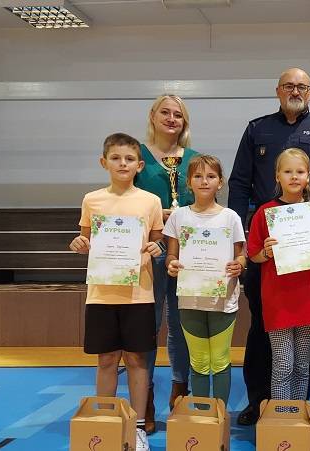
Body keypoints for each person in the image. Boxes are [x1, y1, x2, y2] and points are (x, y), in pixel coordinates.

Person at [228, 67, 310, 424]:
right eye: (288, 86)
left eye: (302, 87)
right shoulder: (257, 129)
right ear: (278, 90)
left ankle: (298, 408)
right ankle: (259, 401)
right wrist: (240, 239)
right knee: (261, 329)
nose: (295, 91)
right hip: (268, 252)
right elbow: (239, 183)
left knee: (308, 343)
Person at [69, 133, 165, 451]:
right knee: (107, 359)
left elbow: (158, 241)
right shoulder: (92, 200)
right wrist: (80, 244)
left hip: (139, 293)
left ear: (139, 165)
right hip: (101, 294)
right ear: (104, 162)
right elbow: (86, 240)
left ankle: (137, 427)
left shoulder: (150, 201)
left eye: (129, 159)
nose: (122, 164)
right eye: (115, 158)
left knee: (137, 360)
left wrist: (157, 248)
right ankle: (106, 423)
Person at [134, 94, 198, 433]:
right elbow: (126, 200)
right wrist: (158, 215)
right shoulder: (137, 156)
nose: (172, 119)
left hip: (189, 253)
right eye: (166, 112)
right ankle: (143, 396)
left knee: (181, 324)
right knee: (148, 323)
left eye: (178, 114)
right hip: (148, 251)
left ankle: (180, 389)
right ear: (153, 116)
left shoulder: (195, 159)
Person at [246, 148, 310, 401]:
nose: (294, 176)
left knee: (302, 366)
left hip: (309, 298)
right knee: (283, 366)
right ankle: (282, 416)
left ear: (308, 176)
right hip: (279, 299)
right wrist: (266, 252)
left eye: (300, 171)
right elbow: (253, 255)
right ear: (277, 176)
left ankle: (297, 415)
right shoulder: (265, 213)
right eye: (288, 171)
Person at [163, 155, 246, 406]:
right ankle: (201, 414)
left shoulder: (230, 217)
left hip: (223, 300)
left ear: (220, 182)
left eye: (211, 176)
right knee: (198, 361)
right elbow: (171, 255)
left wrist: (239, 265)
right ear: (189, 182)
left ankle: (218, 416)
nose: (204, 181)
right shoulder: (178, 217)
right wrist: (171, 265)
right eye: (198, 176)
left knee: (219, 360)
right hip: (190, 300)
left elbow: (241, 256)